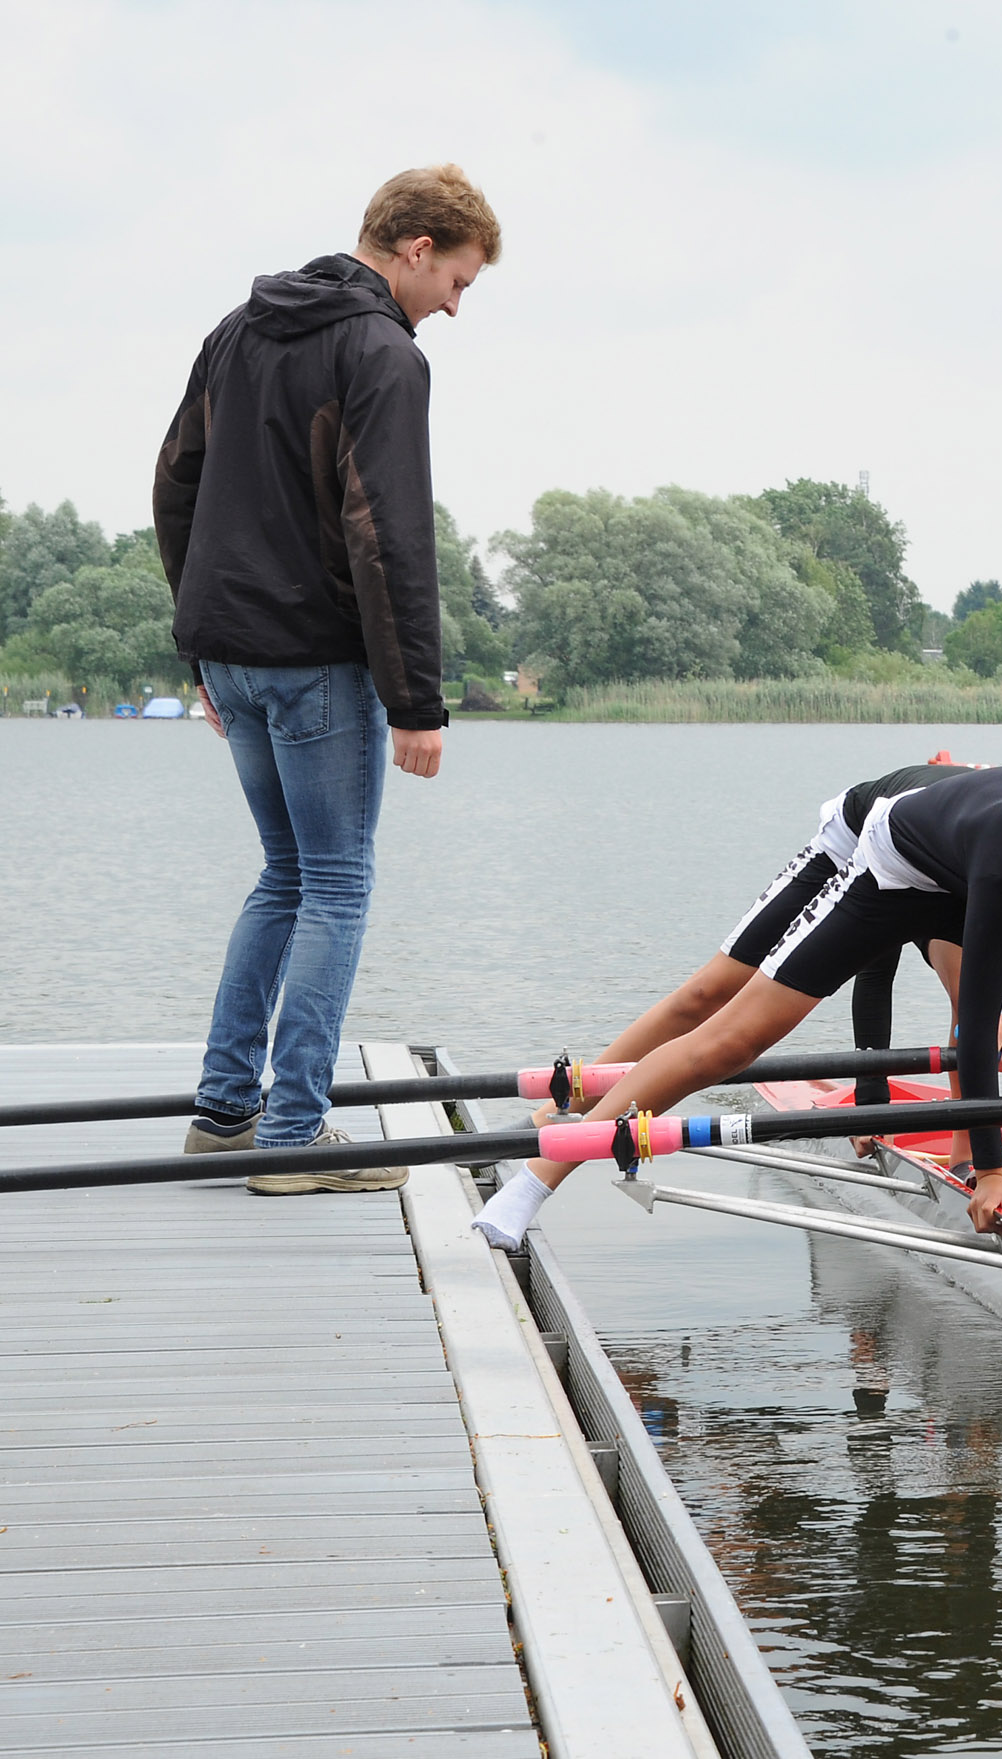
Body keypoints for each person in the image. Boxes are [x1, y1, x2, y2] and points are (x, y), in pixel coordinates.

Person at [474, 737, 1002, 1258]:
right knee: (731, 1040)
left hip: (983, 875)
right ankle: (534, 1181)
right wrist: (991, 1167)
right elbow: (978, 1020)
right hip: (894, 869)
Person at [155, 165, 499, 1192]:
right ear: (417, 247)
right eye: (460, 283)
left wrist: (200, 643)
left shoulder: (238, 328)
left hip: (234, 652)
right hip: (314, 664)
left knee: (286, 875)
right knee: (337, 883)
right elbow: (387, 533)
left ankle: (224, 1113)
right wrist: (418, 702)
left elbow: (174, 479)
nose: (455, 306)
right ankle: (294, 1135)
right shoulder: (382, 352)